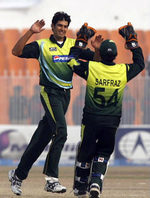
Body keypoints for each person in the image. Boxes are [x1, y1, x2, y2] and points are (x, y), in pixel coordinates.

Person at [8, 12, 100, 196]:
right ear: (52, 26)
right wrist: (30, 32)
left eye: (65, 26)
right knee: (61, 131)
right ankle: (51, 179)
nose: (63, 29)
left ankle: (17, 175)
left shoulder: (73, 45)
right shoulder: (42, 45)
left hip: (65, 95)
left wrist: (96, 49)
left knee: (41, 139)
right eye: (60, 25)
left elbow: (96, 63)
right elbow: (16, 52)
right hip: (50, 93)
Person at [67, 22, 145, 198]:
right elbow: (140, 64)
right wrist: (132, 42)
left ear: (99, 55)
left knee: (85, 152)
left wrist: (81, 40)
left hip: (91, 119)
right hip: (111, 121)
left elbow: (71, 60)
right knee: (103, 153)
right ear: (116, 55)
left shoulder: (92, 67)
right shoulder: (122, 70)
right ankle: (96, 182)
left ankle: (80, 187)